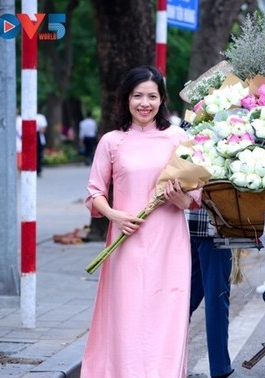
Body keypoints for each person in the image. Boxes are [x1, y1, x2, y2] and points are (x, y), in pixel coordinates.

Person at [82, 65, 201, 378]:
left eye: (152, 96)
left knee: (168, 317)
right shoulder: (112, 141)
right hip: (126, 244)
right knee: (127, 319)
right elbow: (94, 193)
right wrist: (114, 214)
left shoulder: (177, 138)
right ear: (126, 99)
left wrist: (180, 199)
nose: (144, 103)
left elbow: (196, 197)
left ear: (162, 100)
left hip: (170, 244)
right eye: (137, 96)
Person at [187, 208, 235, 378]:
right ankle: (220, 368)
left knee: (181, 300)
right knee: (216, 300)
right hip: (212, 226)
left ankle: (170, 363)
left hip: (182, 225)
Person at [36, 113, 47, 177]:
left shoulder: (40, 117)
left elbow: (43, 129)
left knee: (39, 155)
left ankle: (38, 169)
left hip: (39, 137)